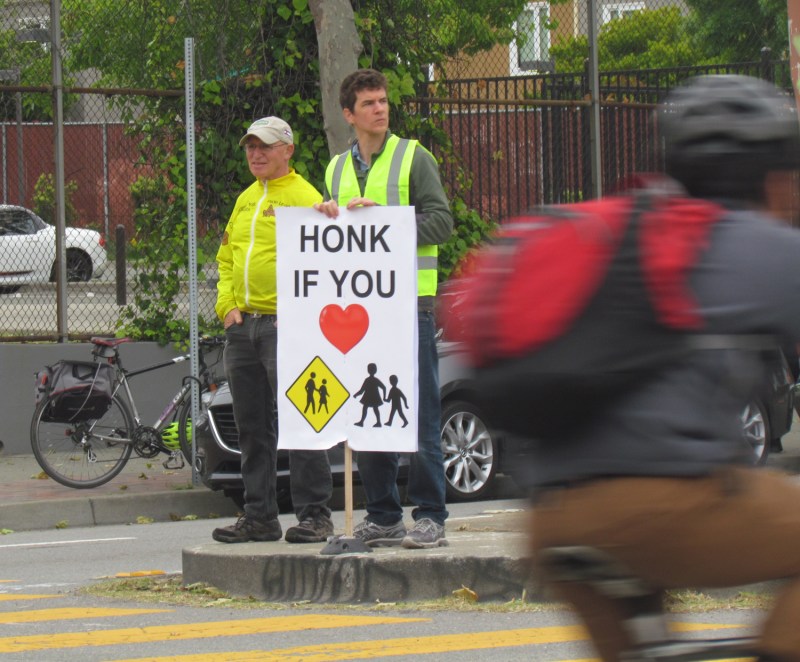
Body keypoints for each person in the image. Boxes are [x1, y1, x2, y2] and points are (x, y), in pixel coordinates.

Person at [524, 75, 800, 661]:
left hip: (552, 521)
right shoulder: (764, 246)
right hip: (662, 505)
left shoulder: (627, 230)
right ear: (770, 173)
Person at [315, 68, 453, 549]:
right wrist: (326, 215)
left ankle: (431, 515)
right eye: (369, 103)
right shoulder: (335, 169)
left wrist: (391, 221)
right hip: (362, 308)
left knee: (421, 414)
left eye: (383, 100)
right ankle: (383, 515)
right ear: (348, 114)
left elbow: (442, 223)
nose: (380, 108)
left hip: (411, 305)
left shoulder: (413, 158)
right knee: (367, 411)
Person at [212, 116, 334, 545]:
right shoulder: (245, 199)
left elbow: (325, 262)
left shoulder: (306, 197)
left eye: (264, 146)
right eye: (249, 147)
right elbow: (226, 259)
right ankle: (260, 516)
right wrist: (226, 306)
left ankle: (315, 516)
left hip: (287, 327)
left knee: (303, 419)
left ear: (288, 149)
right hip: (243, 327)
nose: (255, 154)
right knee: (252, 425)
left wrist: (302, 311)